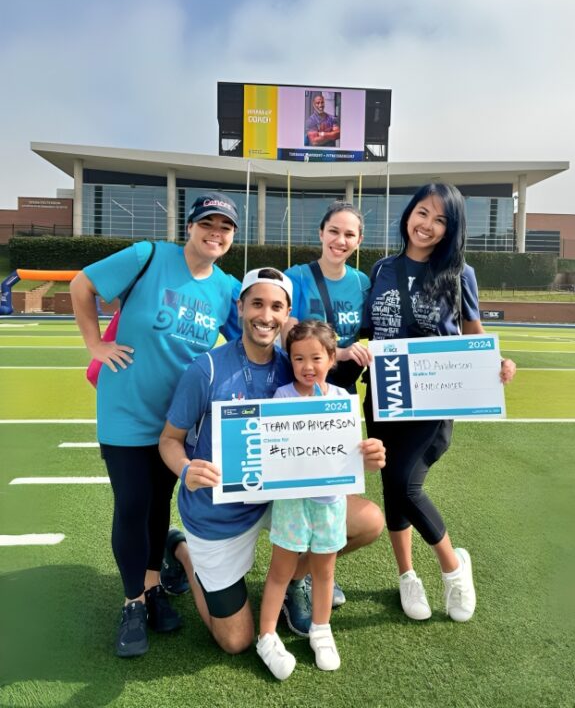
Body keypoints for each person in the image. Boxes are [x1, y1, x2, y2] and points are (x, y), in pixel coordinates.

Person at [158, 268, 386, 659]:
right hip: (221, 512)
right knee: (236, 641)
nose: (266, 315)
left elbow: (323, 439)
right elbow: (170, 440)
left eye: (276, 306)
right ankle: (182, 551)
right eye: (257, 304)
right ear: (241, 307)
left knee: (369, 521)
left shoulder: (294, 365)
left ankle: (295, 578)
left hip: (280, 501)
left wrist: (360, 455)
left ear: (287, 313)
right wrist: (186, 470)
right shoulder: (206, 369)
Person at [70, 191, 242, 658]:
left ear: (232, 236)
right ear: (190, 226)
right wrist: (94, 345)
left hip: (177, 423)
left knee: (158, 505)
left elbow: (252, 338)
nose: (216, 233)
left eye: (225, 227)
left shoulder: (227, 287)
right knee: (132, 503)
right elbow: (82, 285)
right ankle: (131, 603)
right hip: (125, 408)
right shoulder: (149, 256)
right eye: (208, 223)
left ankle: (152, 588)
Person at [362, 182, 517, 624]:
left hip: (433, 399)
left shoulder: (459, 273)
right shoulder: (381, 269)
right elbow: (369, 331)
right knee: (391, 484)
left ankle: (453, 569)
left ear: (451, 229)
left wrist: (498, 360)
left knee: (407, 483)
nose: (427, 225)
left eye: (440, 219)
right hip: (385, 394)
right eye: (422, 213)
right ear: (409, 214)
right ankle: (407, 575)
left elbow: (473, 332)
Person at [258, 320, 348, 680]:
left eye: (316, 358)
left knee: (324, 570)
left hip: (330, 501)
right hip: (292, 503)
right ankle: (266, 635)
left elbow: (350, 452)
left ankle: (321, 630)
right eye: (298, 359)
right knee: (281, 570)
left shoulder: (341, 399)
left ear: (331, 358)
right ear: (289, 360)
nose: (307, 367)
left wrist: (369, 452)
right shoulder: (282, 397)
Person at [283, 201, 371, 394]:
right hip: (304, 384)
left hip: (344, 384)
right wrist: (342, 354)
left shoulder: (361, 282)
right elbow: (288, 342)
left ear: (359, 240)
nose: (340, 241)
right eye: (333, 231)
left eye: (349, 235)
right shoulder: (295, 277)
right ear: (321, 233)